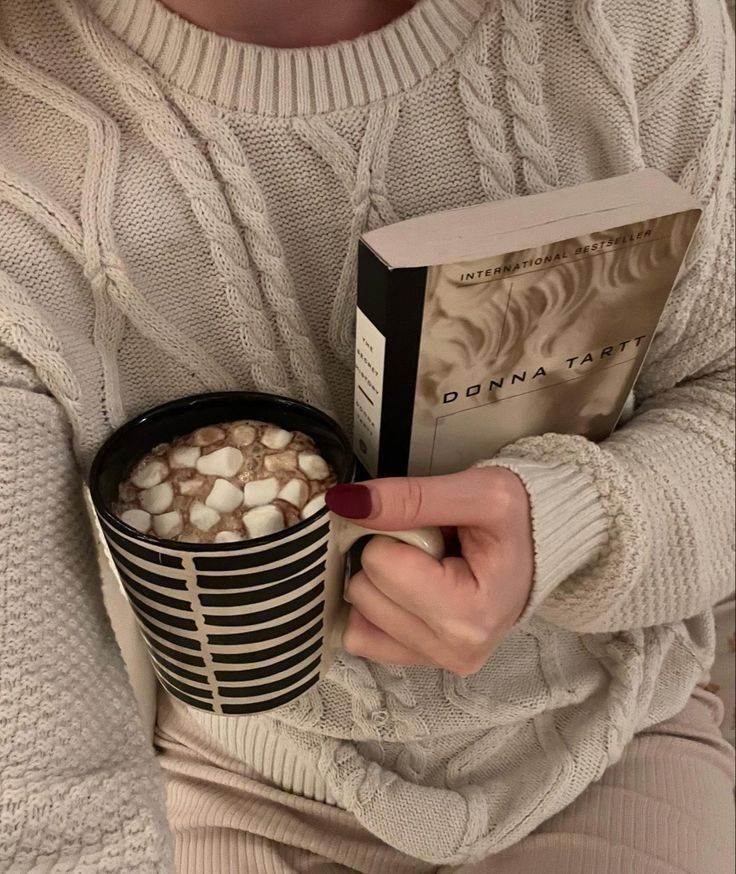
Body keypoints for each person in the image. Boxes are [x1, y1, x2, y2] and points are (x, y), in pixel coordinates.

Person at [0, 0, 733, 871]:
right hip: (240, 774)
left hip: (603, 735)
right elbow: (41, 787)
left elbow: (720, 390)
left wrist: (572, 527)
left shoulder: (639, 27)